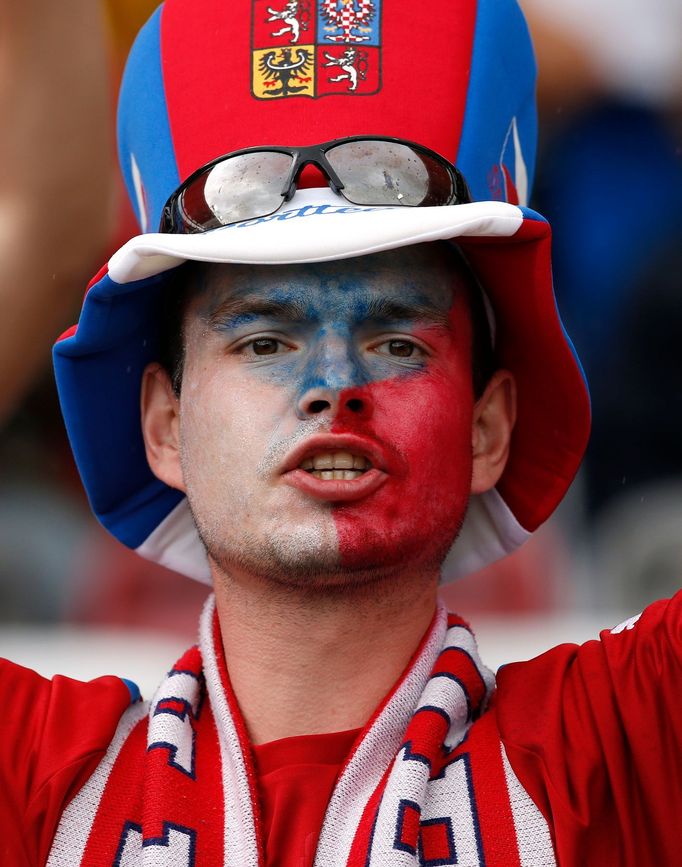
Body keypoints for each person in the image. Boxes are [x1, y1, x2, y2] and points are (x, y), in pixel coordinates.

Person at [1, 1, 680, 865]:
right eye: (265, 340)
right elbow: (38, 210)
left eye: (396, 341)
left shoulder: (627, 746)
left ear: (488, 425)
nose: (334, 388)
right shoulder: (37, 783)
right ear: (164, 424)